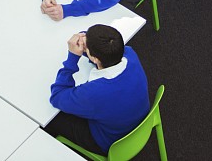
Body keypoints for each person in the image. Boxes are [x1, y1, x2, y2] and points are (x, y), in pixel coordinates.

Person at [45, 24, 150, 155]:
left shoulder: (93, 93)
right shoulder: (130, 54)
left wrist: (72, 58)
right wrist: (89, 40)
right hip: (138, 120)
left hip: (109, 141)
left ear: (94, 58)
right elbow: (105, 55)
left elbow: (57, 97)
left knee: (51, 120)